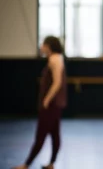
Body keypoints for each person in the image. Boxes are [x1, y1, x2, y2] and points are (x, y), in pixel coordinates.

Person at [13, 36, 67, 169]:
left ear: (49, 45)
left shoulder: (54, 59)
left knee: (41, 135)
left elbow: (57, 82)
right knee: (54, 134)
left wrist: (47, 100)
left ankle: (26, 164)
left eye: (43, 44)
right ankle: (51, 163)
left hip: (51, 104)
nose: (41, 46)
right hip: (55, 104)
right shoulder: (56, 58)